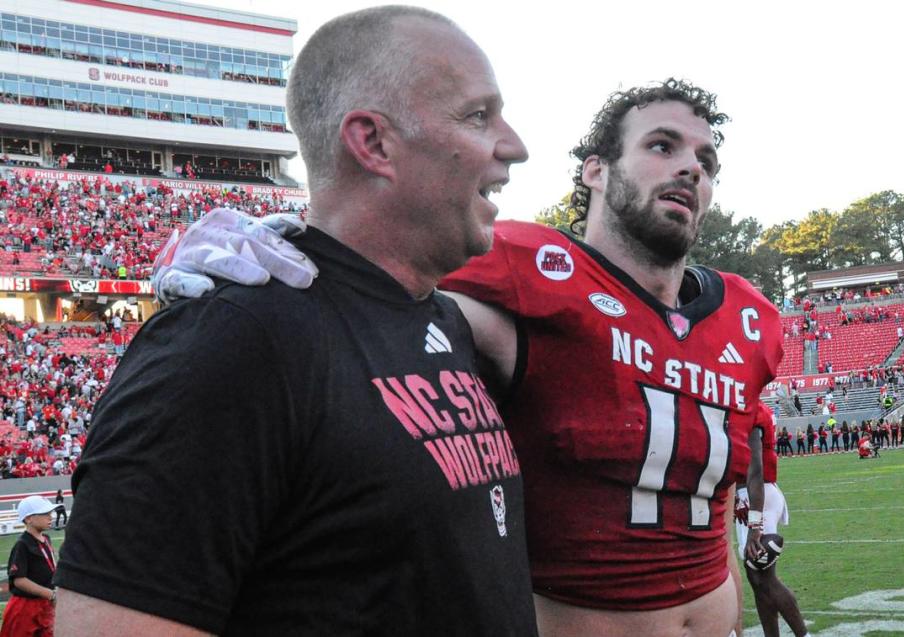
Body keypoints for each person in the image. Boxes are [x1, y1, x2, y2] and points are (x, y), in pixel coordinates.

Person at [155, 79, 784, 636]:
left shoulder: (750, 315)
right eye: (661, 145)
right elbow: (371, 275)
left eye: (706, 159)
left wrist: (759, 532)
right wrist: (263, 236)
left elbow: (729, 443)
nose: (690, 169)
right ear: (596, 170)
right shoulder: (529, 268)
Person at [54, 7, 537, 636]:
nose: (515, 146)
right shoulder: (233, 337)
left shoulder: (447, 319)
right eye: (478, 115)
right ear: (374, 143)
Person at [734, 406, 808, 637]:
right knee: (756, 579)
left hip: (757, 496)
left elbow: (755, 468)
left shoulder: (749, 409)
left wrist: (755, 525)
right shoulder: (745, 405)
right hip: (751, 496)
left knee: (765, 579)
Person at [1, 496, 58, 637]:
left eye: (50, 513)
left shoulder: (46, 539)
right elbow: (19, 580)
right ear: (28, 519)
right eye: (45, 514)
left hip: (45, 605)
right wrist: (50, 594)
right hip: (25, 607)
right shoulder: (23, 544)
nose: (50, 517)